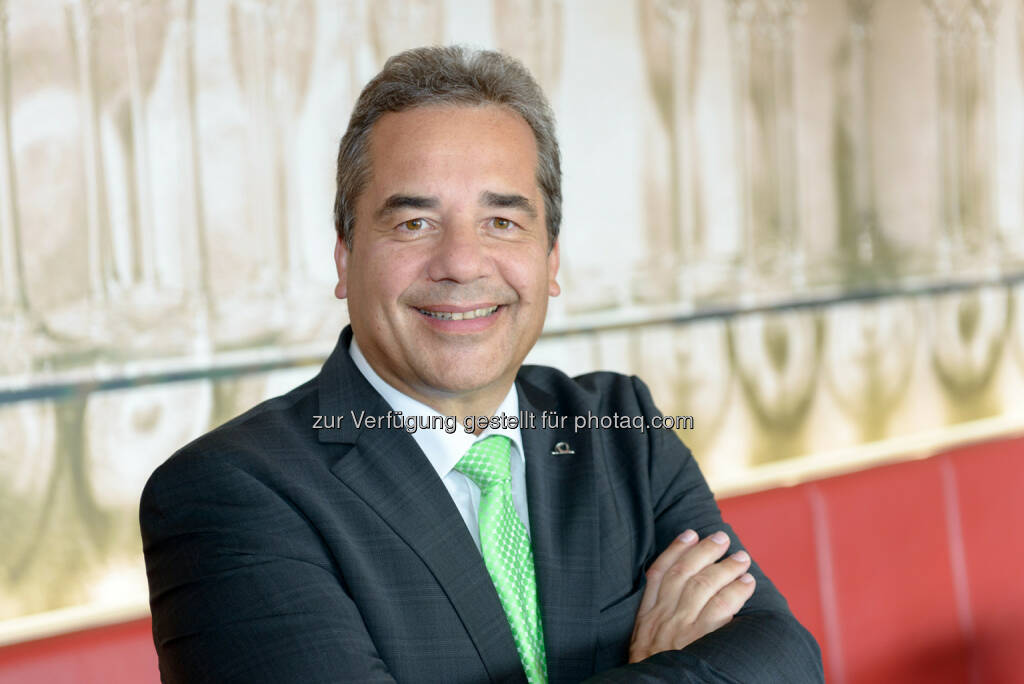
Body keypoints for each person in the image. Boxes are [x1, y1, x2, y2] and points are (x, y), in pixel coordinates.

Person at [140, 45, 823, 683]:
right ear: (345, 258)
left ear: (550, 259)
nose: (462, 263)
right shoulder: (231, 493)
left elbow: (786, 658)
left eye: (502, 222)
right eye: (414, 223)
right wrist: (661, 666)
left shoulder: (623, 430)